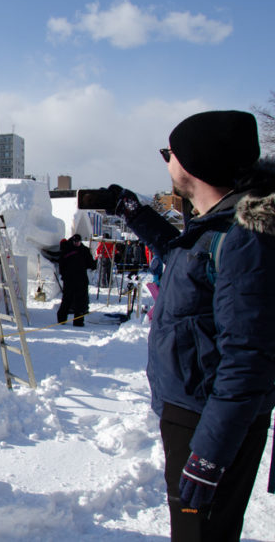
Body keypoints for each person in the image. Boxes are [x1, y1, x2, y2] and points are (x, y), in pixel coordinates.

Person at [104, 110, 275, 541]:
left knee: (201, 534)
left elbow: (249, 357)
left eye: (169, 153)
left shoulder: (243, 239)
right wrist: (134, 212)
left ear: (194, 164)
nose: (166, 162)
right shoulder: (219, 227)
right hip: (197, 409)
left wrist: (210, 455)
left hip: (210, 419)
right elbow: (187, 253)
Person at [56, 234, 96, 327]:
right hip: (69, 279)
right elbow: (61, 264)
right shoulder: (67, 249)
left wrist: (94, 264)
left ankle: (78, 321)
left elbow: (90, 263)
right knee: (67, 300)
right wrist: (64, 275)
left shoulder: (84, 250)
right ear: (72, 241)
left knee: (80, 302)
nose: (77, 243)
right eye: (75, 242)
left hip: (81, 279)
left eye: (78, 242)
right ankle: (61, 319)